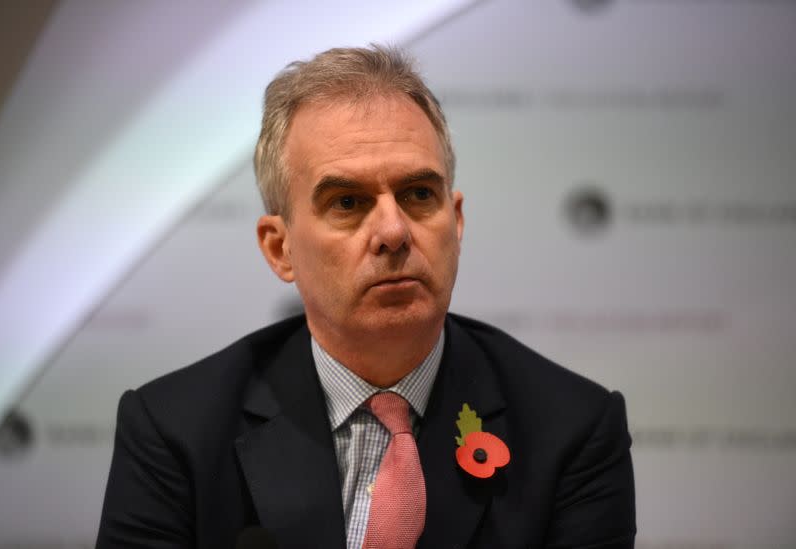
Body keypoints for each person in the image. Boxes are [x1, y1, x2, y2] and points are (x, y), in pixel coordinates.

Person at [97, 45, 635, 549]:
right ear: (280, 248)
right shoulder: (174, 431)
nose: (394, 231)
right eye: (348, 201)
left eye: (419, 194)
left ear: (457, 219)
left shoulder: (573, 430)